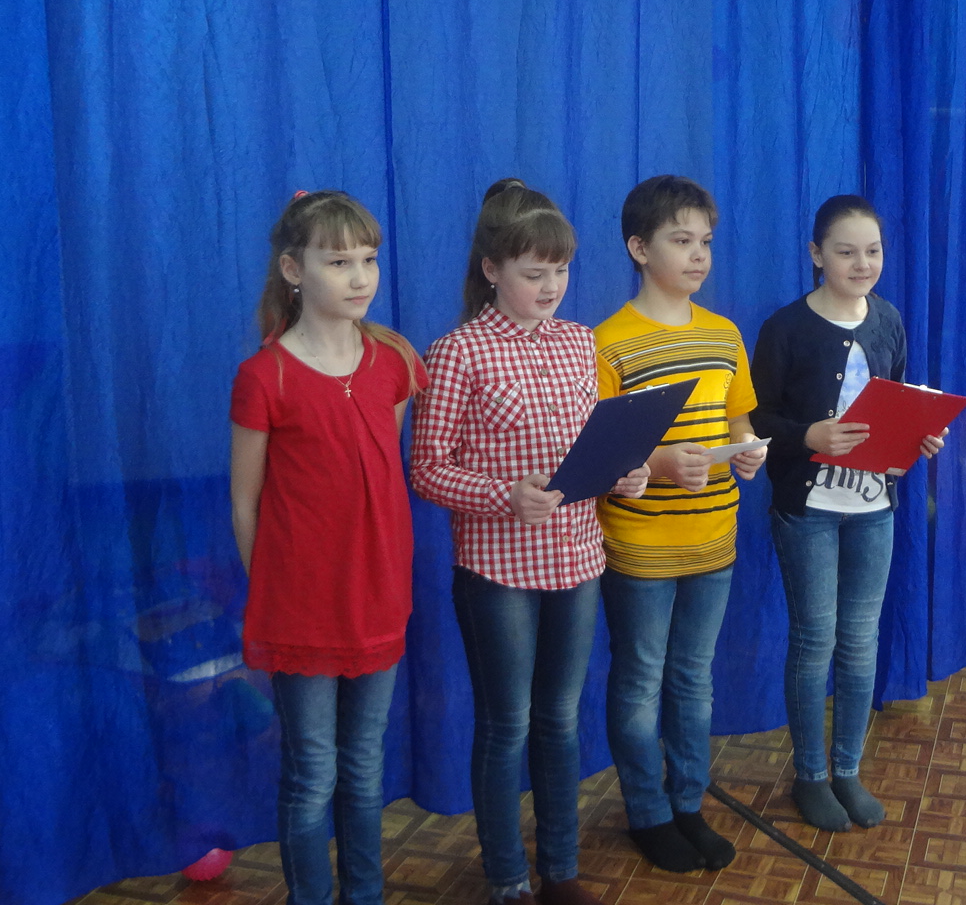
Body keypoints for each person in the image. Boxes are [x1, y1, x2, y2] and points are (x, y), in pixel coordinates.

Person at [410, 180, 651, 905]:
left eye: (561, 270)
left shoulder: (580, 343)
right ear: (491, 269)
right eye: (533, 272)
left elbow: (593, 445)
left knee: (559, 719)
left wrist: (626, 472)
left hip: (577, 559)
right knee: (506, 724)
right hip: (498, 570)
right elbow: (426, 470)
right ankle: (508, 878)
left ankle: (560, 870)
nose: (551, 287)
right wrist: (502, 495)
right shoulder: (457, 352)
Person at [229, 190, 427, 905]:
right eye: (338, 261)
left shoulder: (393, 361)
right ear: (294, 269)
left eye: (368, 259)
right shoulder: (265, 376)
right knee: (313, 771)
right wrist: (280, 593)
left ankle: (363, 895)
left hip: (377, 597)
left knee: (364, 766)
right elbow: (245, 503)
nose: (360, 276)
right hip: (301, 609)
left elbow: (378, 477)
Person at [748, 194, 945, 833]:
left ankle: (848, 770)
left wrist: (919, 439)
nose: (862, 263)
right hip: (807, 510)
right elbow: (757, 419)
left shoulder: (888, 320)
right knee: (815, 640)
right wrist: (809, 435)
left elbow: (900, 400)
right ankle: (810, 776)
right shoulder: (786, 328)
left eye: (873, 251)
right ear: (816, 254)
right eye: (846, 251)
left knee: (860, 641)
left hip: (873, 509)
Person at [594, 174, 767, 873]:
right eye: (681, 241)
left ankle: (689, 801)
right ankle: (648, 812)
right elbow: (604, 457)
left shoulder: (724, 335)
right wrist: (660, 464)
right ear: (639, 248)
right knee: (641, 680)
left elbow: (738, 420)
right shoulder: (608, 343)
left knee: (694, 678)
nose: (698, 256)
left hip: (713, 536)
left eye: (706, 242)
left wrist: (748, 450)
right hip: (640, 543)